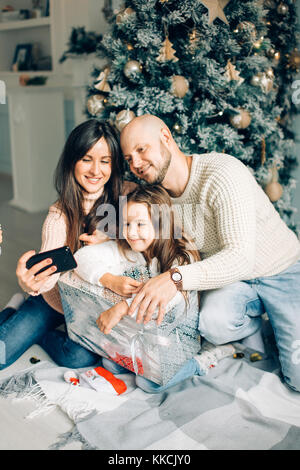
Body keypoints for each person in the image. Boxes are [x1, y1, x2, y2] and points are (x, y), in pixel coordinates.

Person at [119, 114, 300, 393]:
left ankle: (280, 322)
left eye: (142, 150)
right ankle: (255, 327)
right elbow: (132, 221)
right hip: (235, 282)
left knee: (297, 380)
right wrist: (104, 233)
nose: (136, 164)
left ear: (166, 137)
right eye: (129, 158)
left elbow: (241, 259)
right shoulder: (158, 197)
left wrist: (174, 279)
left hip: (282, 270)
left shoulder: (221, 173)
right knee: (212, 325)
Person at [0, 119, 134, 371]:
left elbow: (160, 230)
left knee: (78, 358)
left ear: (114, 164)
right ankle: (17, 309)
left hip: (94, 304)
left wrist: (115, 237)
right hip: (55, 300)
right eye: (86, 158)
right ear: (72, 161)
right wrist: (34, 282)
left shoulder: (129, 196)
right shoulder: (58, 215)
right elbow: (49, 273)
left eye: (105, 161)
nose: (96, 170)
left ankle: (38, 334)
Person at [74, 185, 234, 393]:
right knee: (111, 364)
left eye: (140, 224)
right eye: (127, 224)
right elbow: (80, 258)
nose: (131, 232)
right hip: (149, 332)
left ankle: (205, 358)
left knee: (150, 383)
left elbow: (167, 301)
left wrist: (122, 307)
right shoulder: (131, 246)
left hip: (180, 334)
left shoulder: (182, 255)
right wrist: (110, 280)